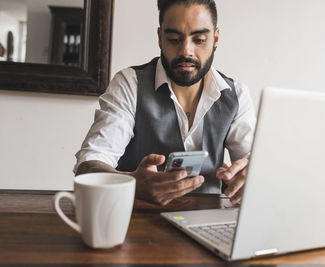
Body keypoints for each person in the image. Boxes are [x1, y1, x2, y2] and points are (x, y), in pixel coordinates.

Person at [74, 0, 256, 206]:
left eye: (199, 39)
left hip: (208, 225)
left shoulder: (237, 95)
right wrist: (130, 183)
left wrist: (252, 177)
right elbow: (89, 163)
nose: (186, 51)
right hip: (137, 224)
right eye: (174, 39)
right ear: (160, 38)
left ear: (215, 38)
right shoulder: (130, 83)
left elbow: (255, 165)